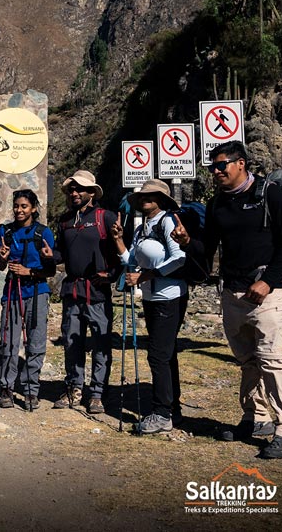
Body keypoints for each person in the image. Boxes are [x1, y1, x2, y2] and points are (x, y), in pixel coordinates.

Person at [203, 141, 282, 459]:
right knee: (247, 362)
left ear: (241, 163)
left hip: (267, 296)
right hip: (232, 295)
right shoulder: (217, 203)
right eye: (213, 167)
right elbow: (207, 247)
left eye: (221, 165)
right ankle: (256, 419)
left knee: (273, 361)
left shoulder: (270, 193)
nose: (216, 172)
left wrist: (268, 281)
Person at [111, 180, 187, 434]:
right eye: (143, 196)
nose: (145, 200)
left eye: (151, 196)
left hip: (169, 296)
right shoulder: (145, 226)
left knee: (158, 356)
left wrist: (145, 277)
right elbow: (132, 260)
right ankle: (171, 409)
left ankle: (163, 414)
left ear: (162, 199)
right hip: (153, 299)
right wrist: (119, 240)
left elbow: (179, 258)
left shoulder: (167, 221)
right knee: (165, 355)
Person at [53, 170, 119, 415]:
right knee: (72, 342)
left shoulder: (106, 217)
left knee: (101, 343)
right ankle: (74, 388)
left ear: (92, 192)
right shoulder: (65, 221)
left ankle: (98, 393)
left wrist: (111, 275)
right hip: (72, 290)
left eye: (79, 188)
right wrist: (50, 255)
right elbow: (60, 253)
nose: (74, 193)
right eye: (71, 189)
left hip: (97, 292)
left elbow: (122, 251)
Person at [0, 190, 56, 410]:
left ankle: (31, 389)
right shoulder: (5, 232)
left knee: (36, 342)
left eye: (24, 206)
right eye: (17, 206)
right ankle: (6, 387)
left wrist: (28, 271)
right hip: (12, 291)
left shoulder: (43, 233)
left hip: (37, 291)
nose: (19, 211)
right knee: (9, 341)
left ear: (34, 208)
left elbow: (50, 270)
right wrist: (2, 259)